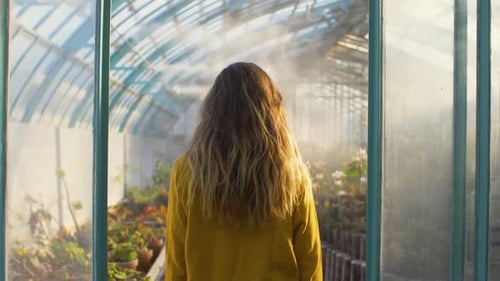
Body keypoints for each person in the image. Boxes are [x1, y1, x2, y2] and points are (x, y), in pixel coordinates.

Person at [165, 62, 322, 281]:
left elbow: (176, 261)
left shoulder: (187, 171)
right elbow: (310, 263)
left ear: (213, 110)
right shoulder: (292, 174)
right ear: (272, 111)